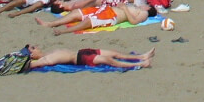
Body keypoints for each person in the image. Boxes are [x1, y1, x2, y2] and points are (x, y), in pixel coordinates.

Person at [35, 2, 156, 35]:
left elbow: (134, 22)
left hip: (112, 16)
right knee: (77, 13)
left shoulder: (144, 14)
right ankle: (50, 24)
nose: (144, 4)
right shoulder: (137, 7)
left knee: (88, 21)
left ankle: (63, 31)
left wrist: (124, 9)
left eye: (147, 5)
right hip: (106, 9)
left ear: (148, 8)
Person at [23, 44, 154, 70]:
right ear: (32, 55)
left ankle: (142, 56)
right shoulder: (44, 60)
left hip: (83, 51)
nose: (36, 46)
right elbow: (29, 65)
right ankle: (140, 64)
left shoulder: (49, 53)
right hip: (80, 59)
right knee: (110, 61)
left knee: (114, 53)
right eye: (33, 48)